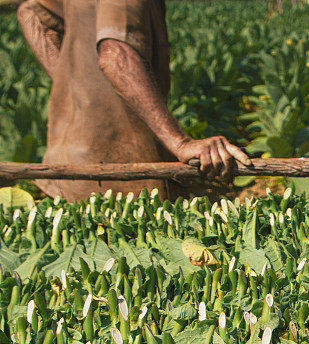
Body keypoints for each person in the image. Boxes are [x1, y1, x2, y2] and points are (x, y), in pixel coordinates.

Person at [16, 0, 250, 201]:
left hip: (64, 172)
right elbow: (116, 55)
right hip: (119, 181)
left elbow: (32, 14)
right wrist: (180, 143)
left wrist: (75, 89)